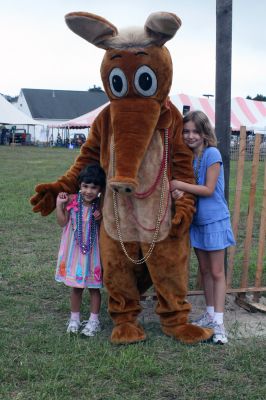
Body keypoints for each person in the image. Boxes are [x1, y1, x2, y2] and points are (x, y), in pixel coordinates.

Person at [171, 110, 235, 344]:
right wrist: (180, 191)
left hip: (215, 220)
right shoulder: (188, 158)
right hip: (197, 222)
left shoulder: (212, 153)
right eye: (185, 131)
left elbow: (207, 190)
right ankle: (209, 314)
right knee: (205, 271)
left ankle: (219, 322)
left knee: (217, 272)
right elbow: (188, 189)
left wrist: (179, 185)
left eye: (195, 131)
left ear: (204, 132)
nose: (190, 136)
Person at [55, 164, 106, 336]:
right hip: (74, 253)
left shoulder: (100, 206)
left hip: (93, 254)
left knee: (94, 287)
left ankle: (94, 321)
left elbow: (105, 231)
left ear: (100, 188)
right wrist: (59, 205)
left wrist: (100, 219)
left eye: (94, 187)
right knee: (76, 288)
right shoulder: (71, 201)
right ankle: (74, 319)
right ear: (79, 185)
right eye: (85, 186)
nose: (89, 191)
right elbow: (62, 223)